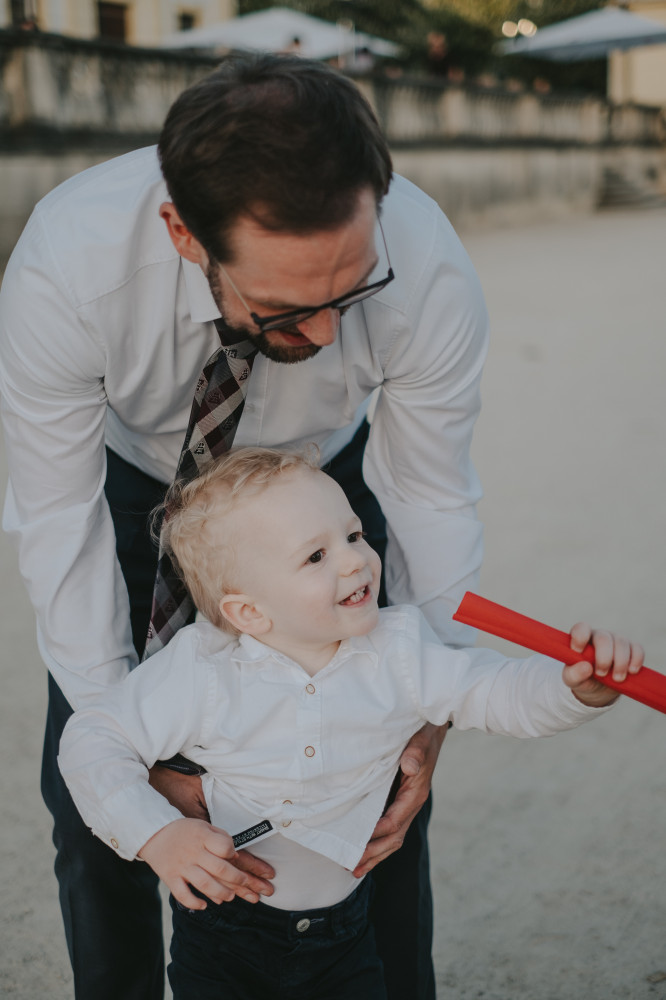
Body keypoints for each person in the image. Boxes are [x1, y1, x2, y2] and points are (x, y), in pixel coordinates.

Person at [0, 54, 489, 1000]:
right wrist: (137, 766)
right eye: (292, 308)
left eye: (353, 290)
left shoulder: (424, 267)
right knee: (90, 795)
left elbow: (432, 495)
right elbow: (58, 521)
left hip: (322, 486)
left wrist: (428, 712)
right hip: (137, 486)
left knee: (378, 775)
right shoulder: (69, 264)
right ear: (185, 233)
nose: (331, 335)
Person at [58, 446, 644, 1000]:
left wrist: (572, 689)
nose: (356, 559)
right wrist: (155, 833)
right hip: (222, 937)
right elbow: (92, 738)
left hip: (345, 934)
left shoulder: (400, 649)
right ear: (248, 612)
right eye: (316, 556)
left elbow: (492, 691)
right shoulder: (200, 671)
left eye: (354, 534)